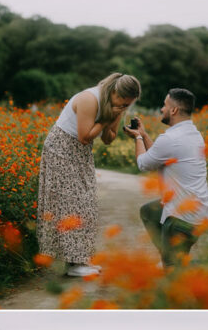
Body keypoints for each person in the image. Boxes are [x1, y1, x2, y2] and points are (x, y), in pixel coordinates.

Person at [38, 73, 141, 277]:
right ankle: (73, 264)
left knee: (87, 201)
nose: (124, 107)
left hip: (79, 152)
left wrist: (115, 117)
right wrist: (106, 118)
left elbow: (109, 139)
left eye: (128, 105)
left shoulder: (114, 105)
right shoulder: (89, 99)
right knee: (72, 203)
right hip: (62, 148)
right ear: (114, 92)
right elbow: (85, 136)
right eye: (123, 102)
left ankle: (79, 260)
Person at [124, 88, 208, 268]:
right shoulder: (193, 134)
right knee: (149, 212)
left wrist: (138, 138)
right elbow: (159, 155)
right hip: (199, 213)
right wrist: (145, 135)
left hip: (182, 219)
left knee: (174, 276)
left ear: (174, 110)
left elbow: (143, 164)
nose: (162, 109)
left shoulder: (171, 138)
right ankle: (169, 256)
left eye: (164, 105)